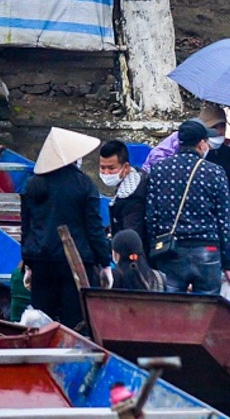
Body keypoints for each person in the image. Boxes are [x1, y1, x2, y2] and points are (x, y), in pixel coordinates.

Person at [18, 127, 108, 329]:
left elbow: (26, 228)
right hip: (75, 263)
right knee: (75, 321)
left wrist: (28, 263)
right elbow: (94, 228)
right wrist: (104, 261)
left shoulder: (32, 185)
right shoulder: (84, 184)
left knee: (41, 322)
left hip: (41, 260)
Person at [142, 119, 230, 295]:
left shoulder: (159, 170)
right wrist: (228, 263)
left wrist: (154, 253)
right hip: (207, 249)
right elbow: (224, 221)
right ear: (201, 144)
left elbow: (151, 216)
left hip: (170, 251)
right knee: (206, 310)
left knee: (171, 309)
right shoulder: (215, 172)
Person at [96, 140, 147, 241]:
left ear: (126, 167)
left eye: (111, 168)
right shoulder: (135, 179)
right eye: (102, 168)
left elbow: (132, 236)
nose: (106, 173)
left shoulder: (132, 196)